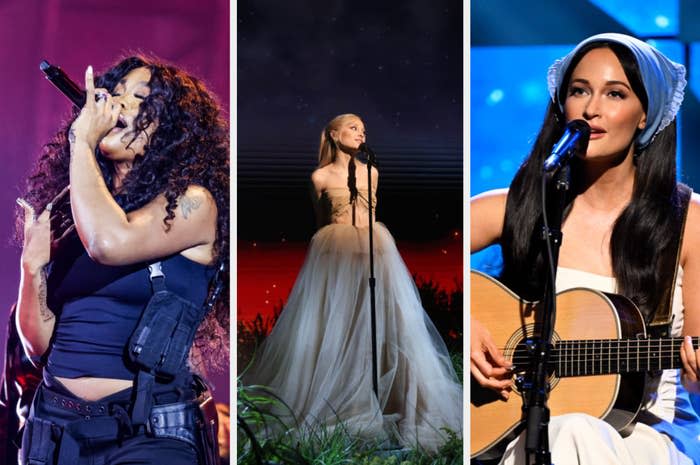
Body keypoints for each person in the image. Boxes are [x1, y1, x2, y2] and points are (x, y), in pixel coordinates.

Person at [470, 33, 700, 464]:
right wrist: (468, 322)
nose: (591, 108)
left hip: (643, 437)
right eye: (579, 91)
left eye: (615, 94)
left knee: (575, 431)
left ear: (644, 114)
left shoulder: (689, 221)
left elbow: (695, 372)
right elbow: (408, 264)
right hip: (516, 432)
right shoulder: (521, 205)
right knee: (564, 431)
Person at [15, 55, 229, 464]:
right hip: (55, 428)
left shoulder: (193, 204)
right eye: (114, 94)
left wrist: (82, 139)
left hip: (145, 430)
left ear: (170, 130)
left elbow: (109, 243)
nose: (116, 104)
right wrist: (32, 269)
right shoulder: (79, 211)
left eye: (138, 99)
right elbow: (37, 343)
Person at [243, 113, 462, 451]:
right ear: (333, 134)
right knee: (339, 323)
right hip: (336, 254)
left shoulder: (372, 172)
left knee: (388, 322)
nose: (361, 133)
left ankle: (394, 402)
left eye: (363, 128)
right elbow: (320, 220)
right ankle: (342, 402)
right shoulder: (319, 177)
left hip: (375, 250)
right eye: (353, 127)